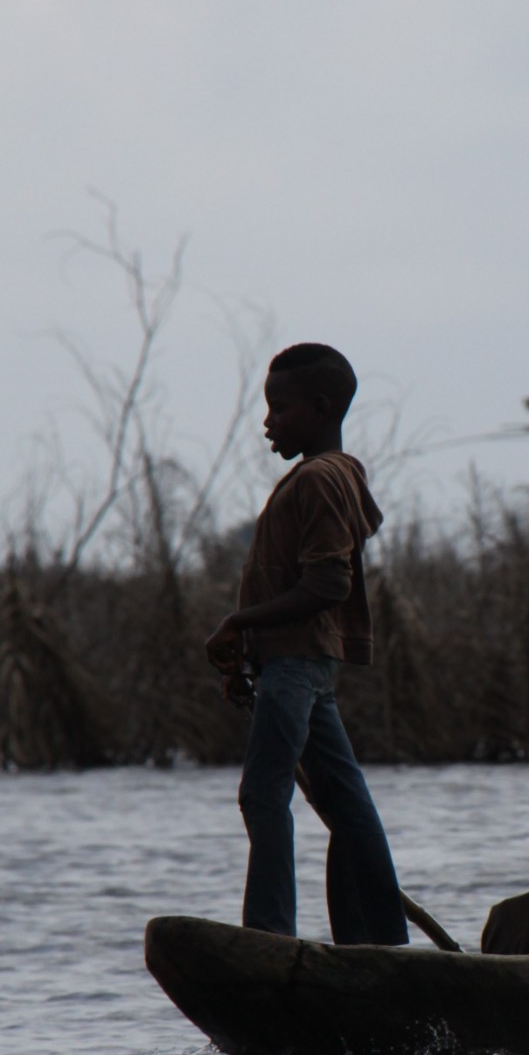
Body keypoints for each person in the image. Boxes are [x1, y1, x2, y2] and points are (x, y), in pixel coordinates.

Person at [205, 341, 408, 946]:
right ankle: (375, 943)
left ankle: (268, 940)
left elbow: (328, 582)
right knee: (345, 806)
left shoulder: (319, 480)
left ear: (320, 409)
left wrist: (240, 624)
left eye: (279, 408)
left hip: (296, 665)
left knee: (263, 794)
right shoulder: (332, 476)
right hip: (298, 666)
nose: (267, 422)